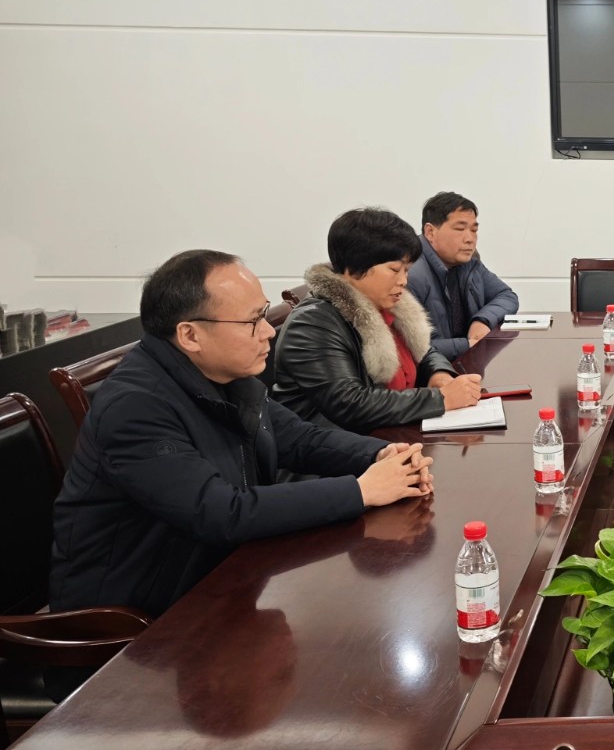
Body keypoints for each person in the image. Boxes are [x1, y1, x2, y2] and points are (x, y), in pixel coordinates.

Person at [49, 250, 435, 625]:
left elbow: (298, 438)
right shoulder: (135, 407)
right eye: (252, 321)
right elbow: (220, 512)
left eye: (264, 314)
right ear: (190, 335)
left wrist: (384, 455)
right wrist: (361, 491)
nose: (268, 331)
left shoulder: (223, 374)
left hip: (222, 578)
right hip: (135, 624)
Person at [273, 208, 482, 433]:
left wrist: (438, 374)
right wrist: (439, 399)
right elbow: (351, 404)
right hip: (336, 447)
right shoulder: (313, 324)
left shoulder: (386, 306)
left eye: (407, 270)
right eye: (394, 270)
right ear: (354, 268)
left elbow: (423, 351)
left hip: (390, 435)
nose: (403, 281)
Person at [407, 191, 520, 360]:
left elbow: (506, 296)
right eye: (460, 229)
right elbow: (413, 348)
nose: (470, 239)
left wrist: (483, 320)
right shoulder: (409, 274)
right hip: (433, 372)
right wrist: (468, 345)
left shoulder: (468, 262)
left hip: (465, 363)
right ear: (430, 232)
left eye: (474, 230)